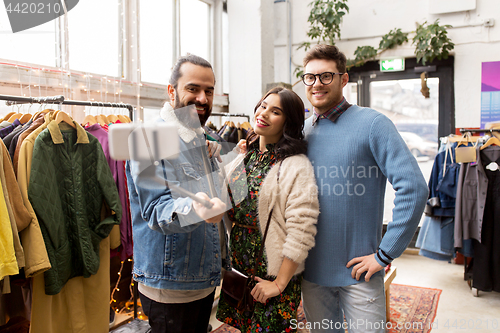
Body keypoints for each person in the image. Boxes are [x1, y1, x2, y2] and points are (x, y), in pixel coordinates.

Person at [300, 44, 428, 333]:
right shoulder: (301, 132)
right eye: (310, 77)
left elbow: (414, 188)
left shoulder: (373, 124)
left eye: (326, 76)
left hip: (360, 273)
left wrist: (385, 253)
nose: (317, 84)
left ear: (344, 79)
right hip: (310, 273)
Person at [126, 54, 230, 333]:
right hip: (171, 284)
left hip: (201, 278)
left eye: (209, 91)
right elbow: (156, 210)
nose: (203, 98)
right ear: (171, 91)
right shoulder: (147, 139)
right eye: (193, 88)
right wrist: (197, 209)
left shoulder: (200, 138)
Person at [216, 87, 320, 332]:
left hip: (272, 274)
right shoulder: (246, 157)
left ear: (288, 122)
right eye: (263, 106)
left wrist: (280, 283)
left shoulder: (294, 165)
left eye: (275, 111)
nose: (263, 114)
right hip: (241, 269)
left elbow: (302, 229)